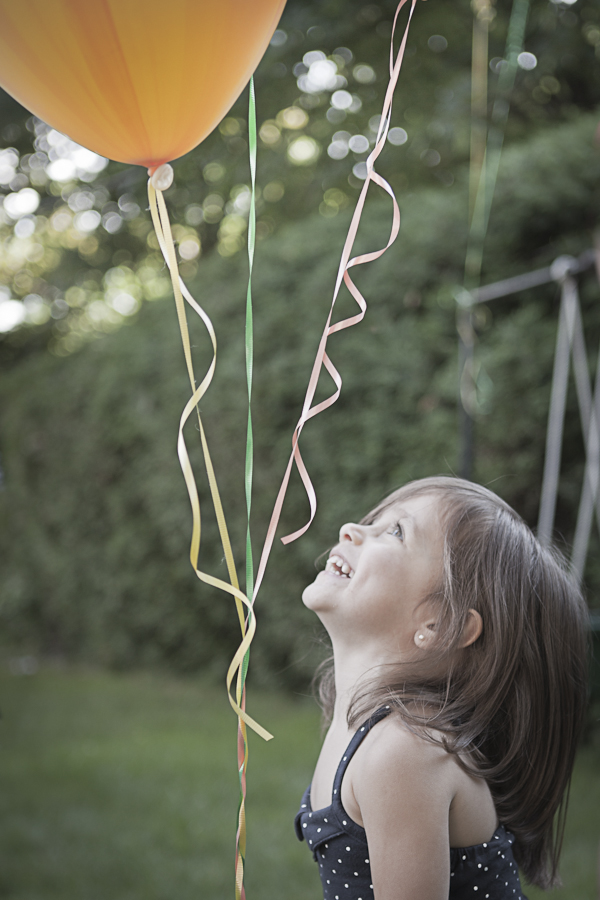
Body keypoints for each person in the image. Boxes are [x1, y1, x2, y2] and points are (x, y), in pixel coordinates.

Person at [295, 476, 589, 900]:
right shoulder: (367, 728)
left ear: (440, 624)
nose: (351, 529)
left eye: (395, 532)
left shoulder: (404, 753)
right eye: (377, 521)